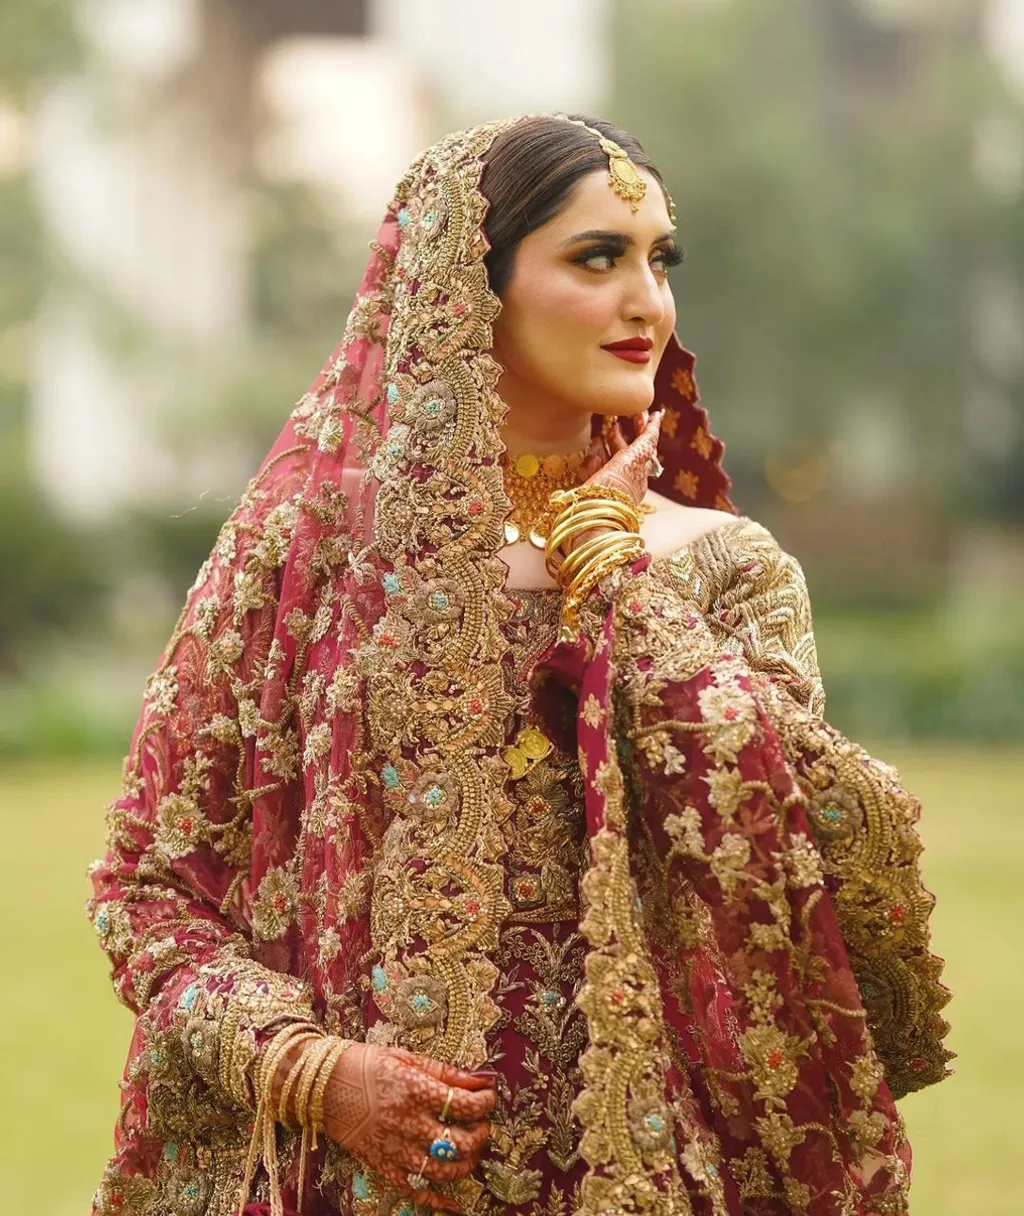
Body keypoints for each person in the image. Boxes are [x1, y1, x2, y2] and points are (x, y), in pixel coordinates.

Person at [86, 114, 952, 1216]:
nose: (648, 302)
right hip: (353, 1180)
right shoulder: (311, 563)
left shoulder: (719, 566)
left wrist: (609, 576)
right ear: (467, 288)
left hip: (646, 1170)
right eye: (598, 258)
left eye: (658, 261)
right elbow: (146, 893)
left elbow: (807, 854)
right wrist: (318, 1073)